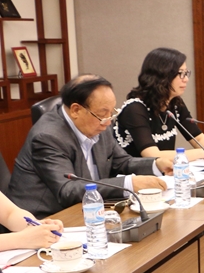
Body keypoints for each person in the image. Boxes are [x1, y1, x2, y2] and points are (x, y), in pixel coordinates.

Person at [8, 75, 173, 219]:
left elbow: (121, 162)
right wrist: (129, 184)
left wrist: (155, 164)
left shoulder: (99, 123)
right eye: (102, 114)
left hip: (91, 210)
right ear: (76, 110)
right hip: (47, 219)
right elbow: (68, 190)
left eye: (112, 112)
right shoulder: (48, 137)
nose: (108, 122)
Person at [113, 48, 204, 161]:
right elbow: (152, 155)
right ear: (162, 75)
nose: (186, 79)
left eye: (186, 73)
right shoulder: (135, 109)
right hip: (136, 172)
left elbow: (198, 139)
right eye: (181, 74)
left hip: (166, 170)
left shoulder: (175, 103)